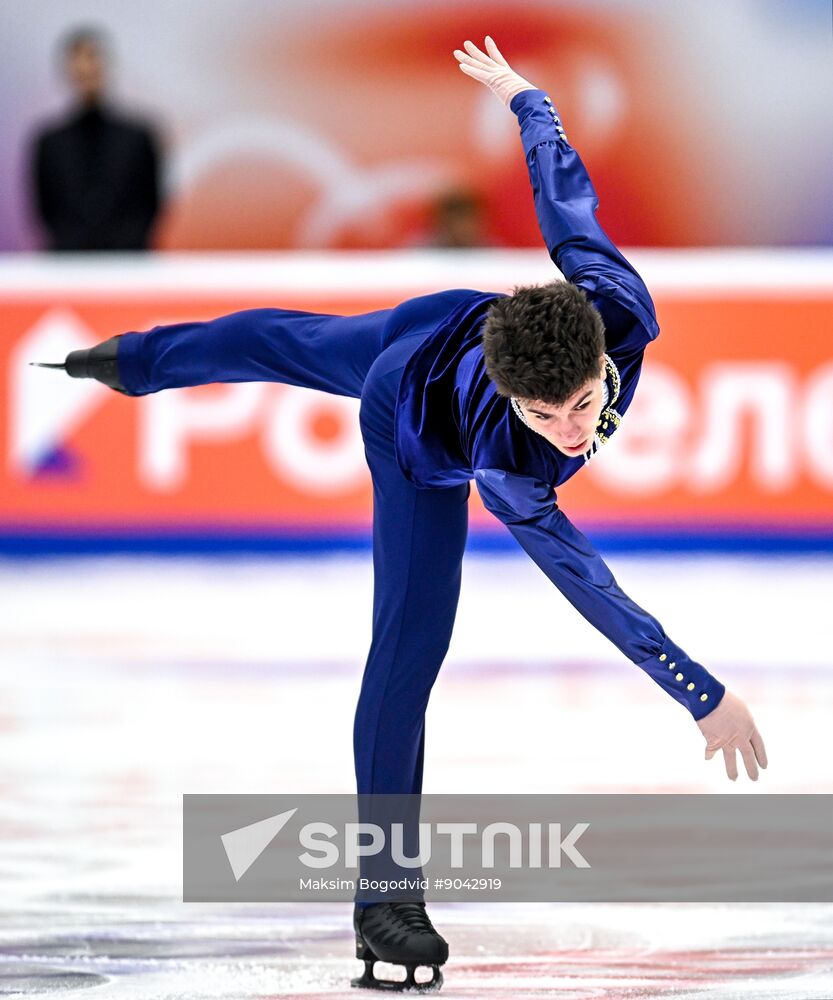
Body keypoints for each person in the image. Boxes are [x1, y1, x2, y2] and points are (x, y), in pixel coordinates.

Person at [36, 37, 767, 993]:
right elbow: (587, 581)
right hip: (410, 409)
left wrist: (527, 98)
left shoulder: (617, 306)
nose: (571, 433)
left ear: (601, 356)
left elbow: (564, 199)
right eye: (543, 416)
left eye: (583, 405)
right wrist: (699, 690)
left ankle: (133, 362)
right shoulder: (507, 462)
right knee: (408, 644)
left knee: (281, 338)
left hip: (459, 318)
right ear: (511, 402)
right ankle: (385, 896)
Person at [30, 27, 162, 251]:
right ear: (67, 70)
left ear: (105, 65)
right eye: (78, 60)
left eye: (92, 57)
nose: (86, 67)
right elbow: (45, 210)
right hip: (68, 265)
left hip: (129, 263)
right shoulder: (49, 142)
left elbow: (151, 204)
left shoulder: (139, 137)